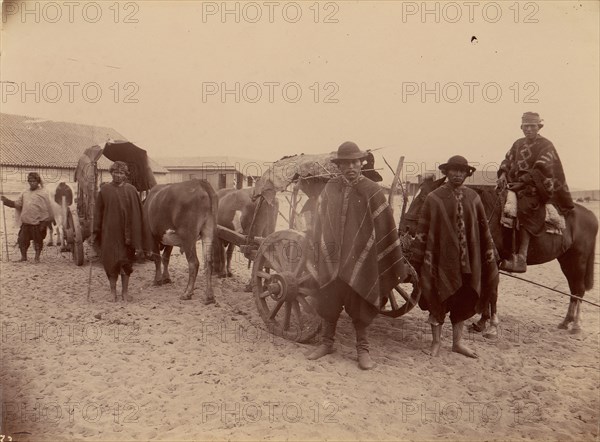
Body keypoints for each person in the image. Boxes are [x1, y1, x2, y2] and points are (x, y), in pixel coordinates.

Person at [307, 141, 405, 370]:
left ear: (361, 163)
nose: (350, 166)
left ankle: (363, 349)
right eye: (345, 163)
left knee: (360, 303)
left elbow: (384, 226)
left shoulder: (372, 190)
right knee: (329, 299)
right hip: (332, 258)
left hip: (361, 259)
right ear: (339, 165)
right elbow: (321, 222)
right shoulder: (330, 188)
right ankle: (327, 343)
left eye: (354, 162)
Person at [410, 155, 498, 358]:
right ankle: (436, 343)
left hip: (468, 263)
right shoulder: (434, 198)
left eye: (462, 170)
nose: (458, 174)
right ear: (446, 172)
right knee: (437, 299)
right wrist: (417, 259)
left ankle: (457, 343)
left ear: (467, 173)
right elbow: (423, 229)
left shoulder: (474, 198)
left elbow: (484, 230)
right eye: (454, 170)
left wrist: (488, 256)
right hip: (440, 261)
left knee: (463, 299)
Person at [497, 112, 574, 273]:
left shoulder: (546, 145)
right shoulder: (517, 143)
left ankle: (521, 258)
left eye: (532, 126)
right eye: (526, 126)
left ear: (538, 127)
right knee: (498, 204)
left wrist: (524, 181)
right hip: (514, 184)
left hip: (535, 187)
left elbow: (543, 169)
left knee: (525, 207)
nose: (529, 129)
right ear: (522, 128)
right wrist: (503, 173)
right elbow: (507, 160)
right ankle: (504, 251)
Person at [93, 161, 146, 302]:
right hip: (110, 233)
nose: (118, 175)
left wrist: (138, 235)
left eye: (121, 173)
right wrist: (95, 231)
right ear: (111, 173)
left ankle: (125, 292)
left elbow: (139, 213)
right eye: (115, 172)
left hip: (128, 235)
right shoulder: (104, 190)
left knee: (126, 263)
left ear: (125, 175)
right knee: (111, 262)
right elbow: (98, 213)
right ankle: (112, 292)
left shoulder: (132, 190)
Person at [1, 172, 54, 262]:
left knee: (38, 241)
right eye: (30, 181)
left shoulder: (43, 193)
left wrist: (44, 222)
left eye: (34, 181)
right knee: (22, 240)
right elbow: (18, 204)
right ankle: (23, 257)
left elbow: (47, 209)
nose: (32, 183)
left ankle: (37, 258)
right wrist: (6, 201)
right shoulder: (24, 193)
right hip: (26, 222)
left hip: (37, 223)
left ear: (38, 181)